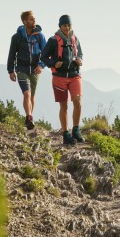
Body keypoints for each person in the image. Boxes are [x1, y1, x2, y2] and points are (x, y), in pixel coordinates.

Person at [42, 14, 84, 145]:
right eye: (65, 25)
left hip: (74, 75)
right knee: (64, 106)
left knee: (77, 101)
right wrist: (54, 63)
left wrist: (80, 60)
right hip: (59, 77)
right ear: (60, 26)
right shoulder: (53, 40)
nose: (67, 27)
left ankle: (76, 130)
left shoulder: (75, 39)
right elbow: (44, 57)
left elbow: (81, 54)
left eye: (69, 25)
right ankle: (66, 134)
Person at [7, 11, 47, 130]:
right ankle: (29, 117)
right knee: (27, 93)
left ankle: (29, 119)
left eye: (34, 19)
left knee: (32, 97)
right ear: (25, 21)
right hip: (21, 69)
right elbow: (12, 54)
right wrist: (11, 70)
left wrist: (41, 65)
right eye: (31, 19)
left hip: (35, 70)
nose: (34, 21)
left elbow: (45, 53)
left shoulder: (39, 36)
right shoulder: (17, 37)